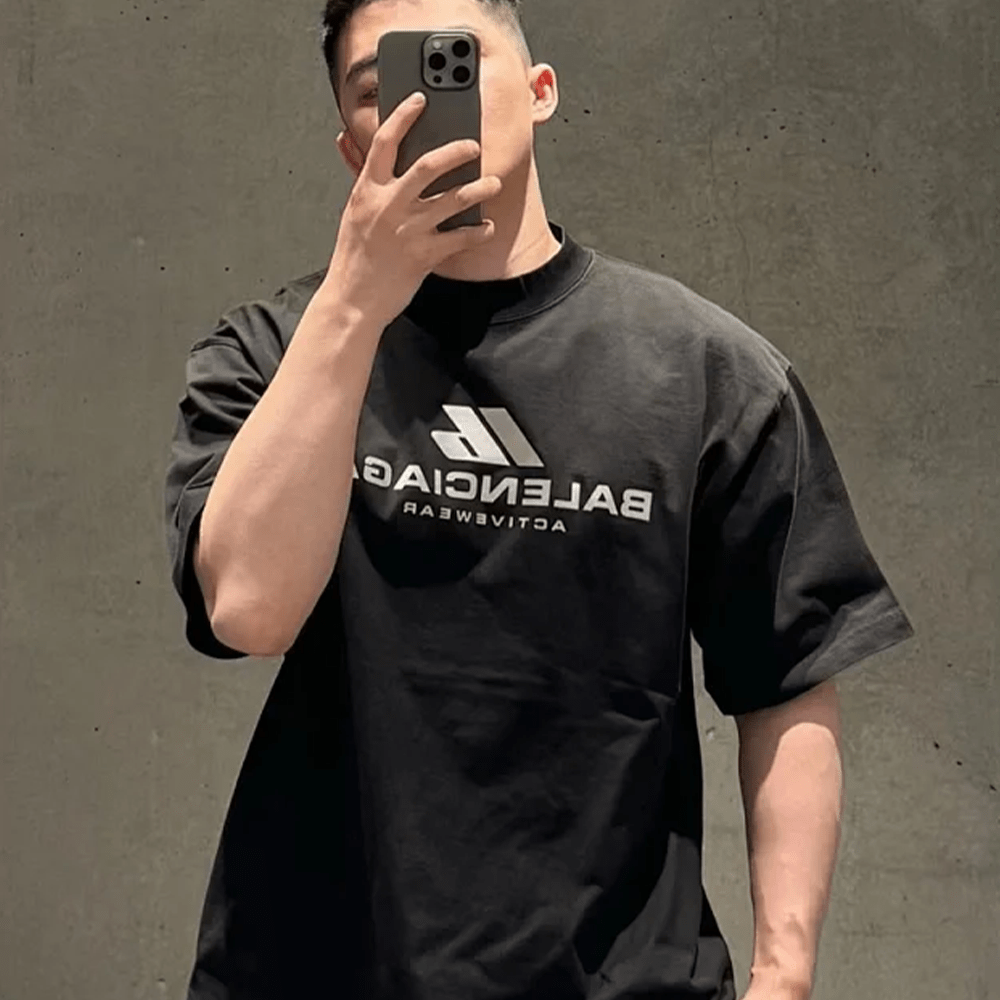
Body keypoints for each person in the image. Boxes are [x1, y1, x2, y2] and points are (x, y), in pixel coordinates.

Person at [163, 1, 916, 998]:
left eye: (454, 63)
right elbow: (250, 611)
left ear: (541, 91)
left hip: (618, 976)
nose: (421, 103)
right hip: (310, 968)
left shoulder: (705, 374)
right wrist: (354, 302)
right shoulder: (268, 352)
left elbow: (787, 673)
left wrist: (784, 976)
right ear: (350, 146)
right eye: (379, 90)